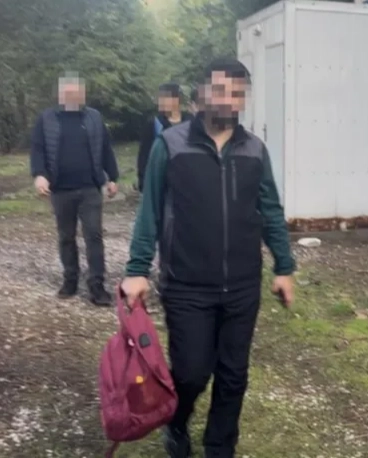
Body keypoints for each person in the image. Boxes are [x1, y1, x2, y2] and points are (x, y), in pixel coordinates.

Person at [121, 58, 295, 458]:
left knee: (233, 375)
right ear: (201, 93)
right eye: (219, 91)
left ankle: (220, 446)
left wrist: (284, 266)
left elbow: (269, 209)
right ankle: (176, 421)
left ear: (244, 99)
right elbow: (150, 210)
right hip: (186, 284)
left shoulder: (255, 150)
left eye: (236, 93)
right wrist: (137, 270)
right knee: (191, 373)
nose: (227, 100)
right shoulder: (171, 145)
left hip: (243, 285)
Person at [30, 74, 119, 306]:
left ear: (83, 94)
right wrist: (39, 175)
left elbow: (105, 148)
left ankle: (97, 285)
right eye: (67, 92)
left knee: (94, 236)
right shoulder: (47, 119)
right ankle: (70, 279)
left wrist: (112, 177)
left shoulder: (94, 117)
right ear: (60, 95)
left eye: (76, 92)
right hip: (60, 189)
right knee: (66, 236)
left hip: (90, 187)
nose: (72, 96)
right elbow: (38, 149)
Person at [136, 83, 193, 191]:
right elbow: (144, 155)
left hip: (188, 178)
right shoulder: (154, 124)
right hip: (163, 180)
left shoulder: (191, 121)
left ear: (177, 100)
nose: (162, 102)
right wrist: (143, 182)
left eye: (166, 98)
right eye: (161, 98)